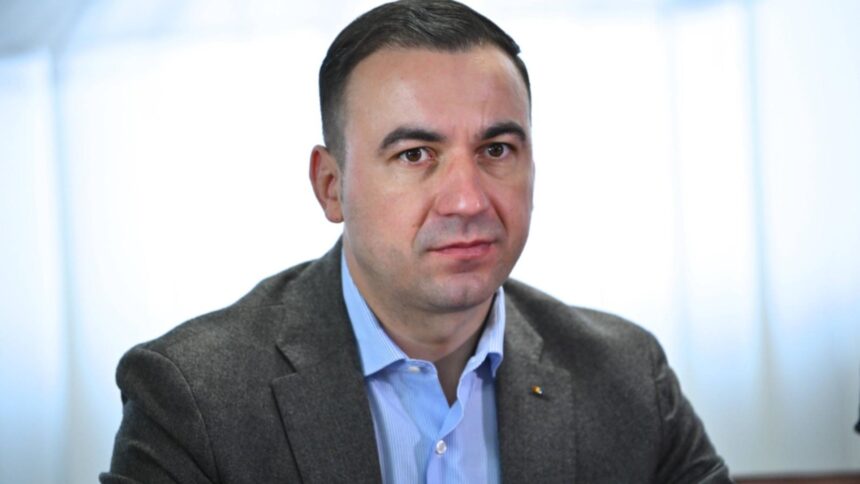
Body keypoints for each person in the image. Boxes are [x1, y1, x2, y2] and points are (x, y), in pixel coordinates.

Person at [101, 1, 732, 482]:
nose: (468, 200)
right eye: (415, 154)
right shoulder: (193, 398)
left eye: (496, 149)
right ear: (331, 186)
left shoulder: (625, 376)